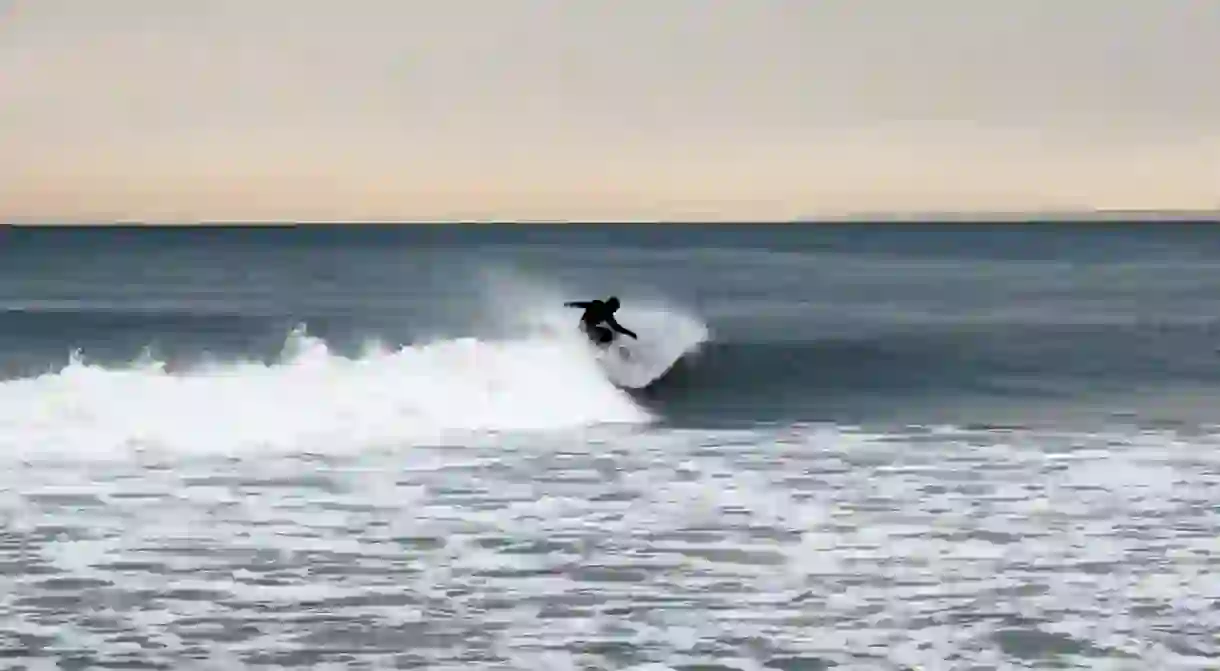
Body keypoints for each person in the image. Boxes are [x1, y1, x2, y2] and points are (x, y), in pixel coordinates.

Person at [564, 296, 638, 346]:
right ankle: (597, 351)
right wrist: (571, 304)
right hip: (586, 328)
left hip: (587, 329)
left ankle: (596, 349)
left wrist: (630, 333)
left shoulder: (606, 313)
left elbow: (616, 327)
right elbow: (584, 304)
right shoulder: (600, 307)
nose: (614, 311)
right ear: (610, 305)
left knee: (610, 334)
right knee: (608, 333)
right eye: (615, 309)